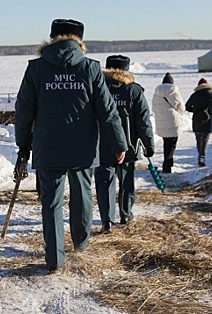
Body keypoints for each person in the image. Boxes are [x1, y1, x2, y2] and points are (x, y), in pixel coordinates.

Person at [14, 19, 128, 272]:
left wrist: (24, 143)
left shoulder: (36, 69)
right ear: (80, 40)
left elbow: (23, 110)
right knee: (82, 194)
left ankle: (54, 258)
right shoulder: (90, 69)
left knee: (51, 202)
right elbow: (107, 111)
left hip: (48, 147)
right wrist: (119, 143)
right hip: (83, 146)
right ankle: (81, 245)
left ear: (53, 37)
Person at [94, 55, 155, 234]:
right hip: (129, 145)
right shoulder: (134, 90)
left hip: (102, 144)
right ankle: (125, 214)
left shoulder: (98, 88)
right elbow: (143, 121)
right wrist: (148, 143)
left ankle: (107, 221)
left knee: (104, 182)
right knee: (126, 182)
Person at [151, 72, 185, 173]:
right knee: (172, 144)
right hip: (173, 121)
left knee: (166, 143)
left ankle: (168, 163)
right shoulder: (174, 92)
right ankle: (167, 165)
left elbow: (153, 108)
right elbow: (182, 108)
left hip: (161, 122)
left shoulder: (156, 94)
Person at [185, 78, 212, 166]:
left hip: (197, 120)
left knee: (198, 139)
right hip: (209, 121)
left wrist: (195, 111)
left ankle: (200, 154)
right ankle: (202, 156)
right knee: (205, 139)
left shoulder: (195, 95)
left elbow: (187, 106)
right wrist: (211, 113)